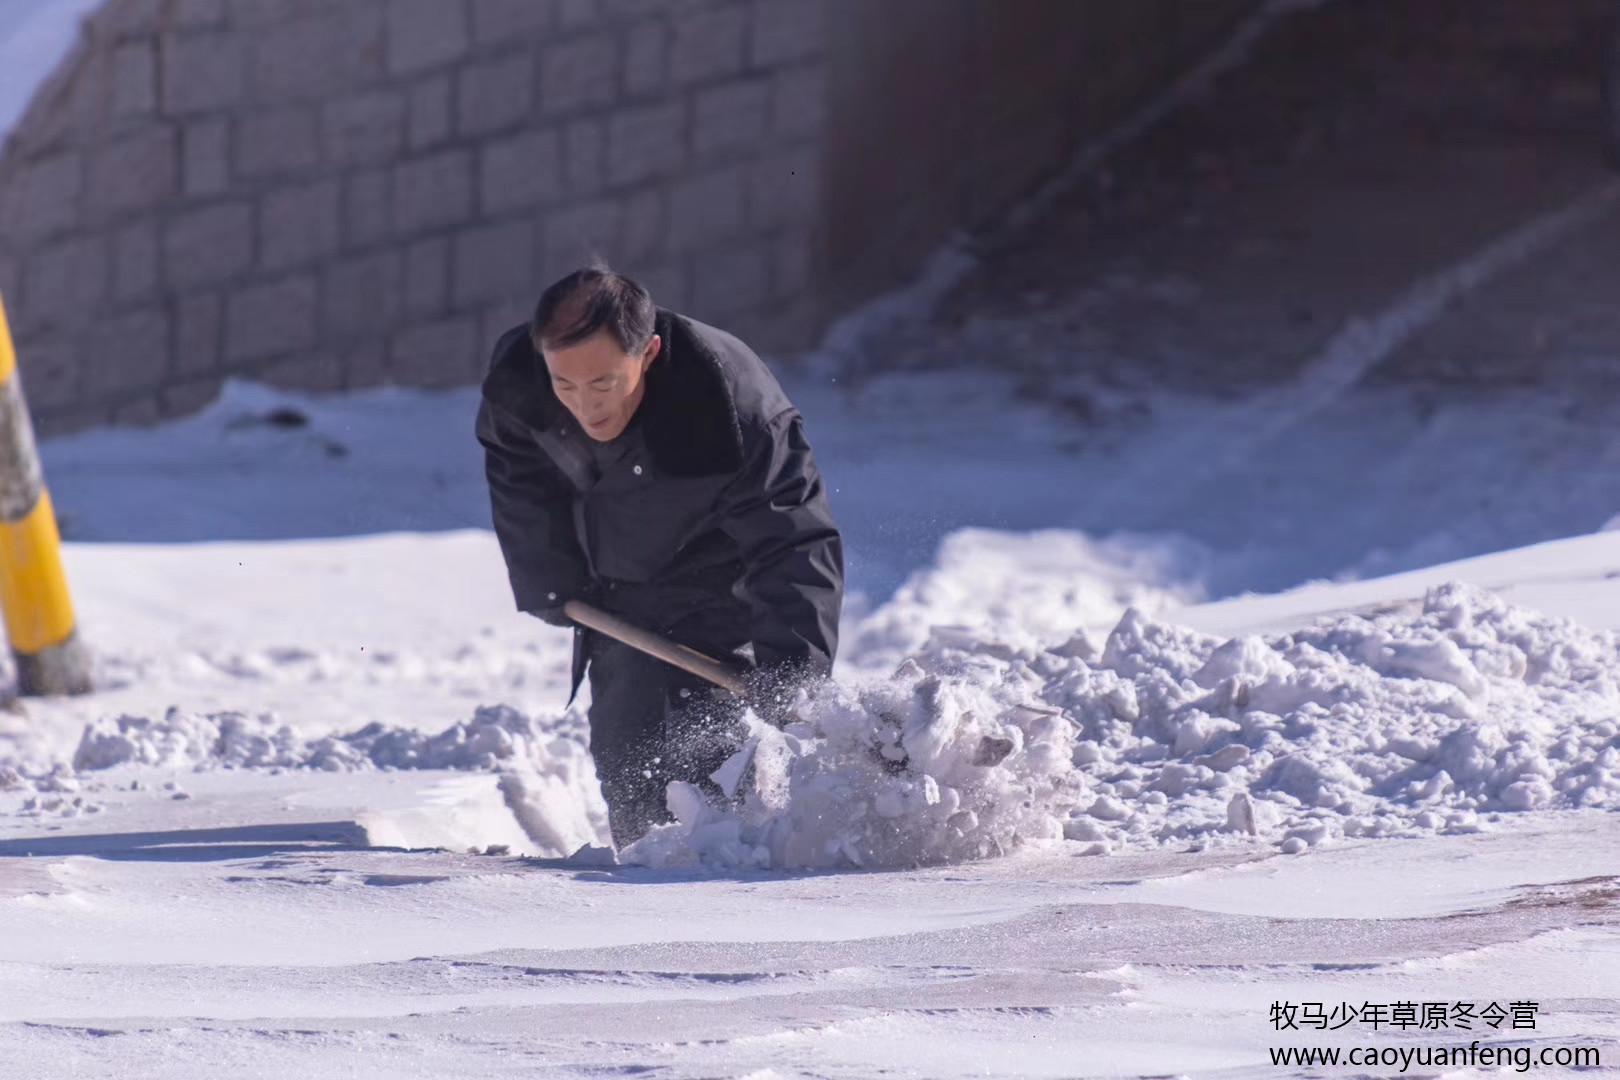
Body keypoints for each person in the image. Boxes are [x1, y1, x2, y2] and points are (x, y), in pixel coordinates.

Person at [476, 264, 844, 848]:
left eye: (602, 384)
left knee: (708, 778)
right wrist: (548, 573)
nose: (583, 407)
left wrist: (793, 677)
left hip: (724, 589)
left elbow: (792, 542)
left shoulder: (730, 410)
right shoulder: (520, 381)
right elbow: (520, 476)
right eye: (564, 385)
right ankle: (647, 902)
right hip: (619, 592)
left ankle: (727, 908)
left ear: (646, 354)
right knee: (630, 763)